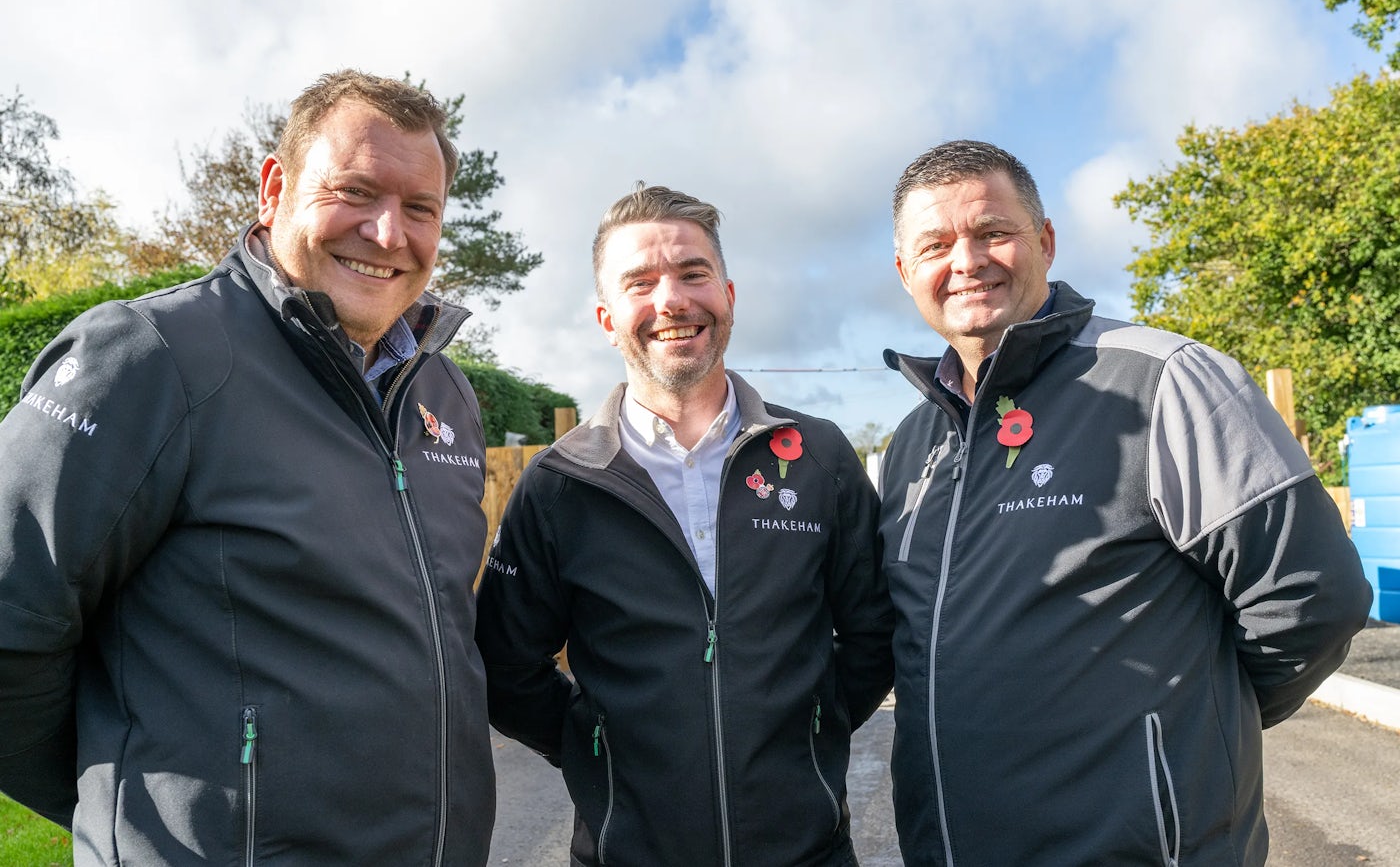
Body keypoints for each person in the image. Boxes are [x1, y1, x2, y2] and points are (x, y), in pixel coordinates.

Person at [0, 70, 496, 865]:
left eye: (420, 208)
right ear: (274, 188)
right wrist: (116, 802)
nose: (386, 232)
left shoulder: (446, 395)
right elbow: (11, 617)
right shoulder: (151, 357)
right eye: (355, 191)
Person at [877, 139, 1372, 866]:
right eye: (935, 245)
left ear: (1045, 241)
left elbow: (1311, 596)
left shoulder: (1169, 380)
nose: (967, 261)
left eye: (993, 232)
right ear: (905, 271)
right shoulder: (912, 444)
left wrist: (1188, 736)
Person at [475, 183, 895, 866]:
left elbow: (873, 635)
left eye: (693, 273)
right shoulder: (559, 484)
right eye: (640, 282)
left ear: (728, 294)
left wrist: (808, 732)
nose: (671, 299)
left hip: (810, 853)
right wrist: (600, 751)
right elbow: (507, 667)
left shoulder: (820, 457)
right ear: (607, 318)